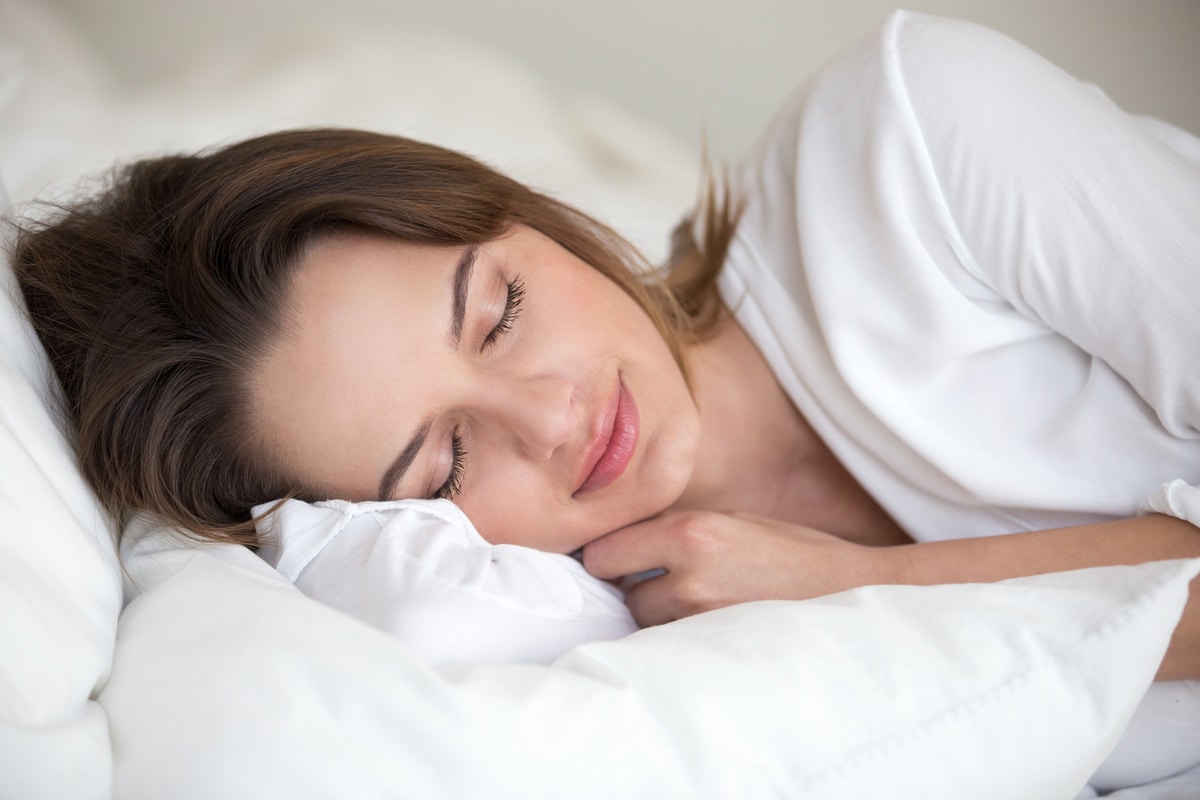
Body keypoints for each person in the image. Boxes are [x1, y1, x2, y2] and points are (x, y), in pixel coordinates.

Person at [12, 9, 1200, 690]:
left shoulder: (911, 145)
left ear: (522, 211)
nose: (550, 416)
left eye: (501, 310)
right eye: (444, 466)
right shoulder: (570, 638)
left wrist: (860, 589)